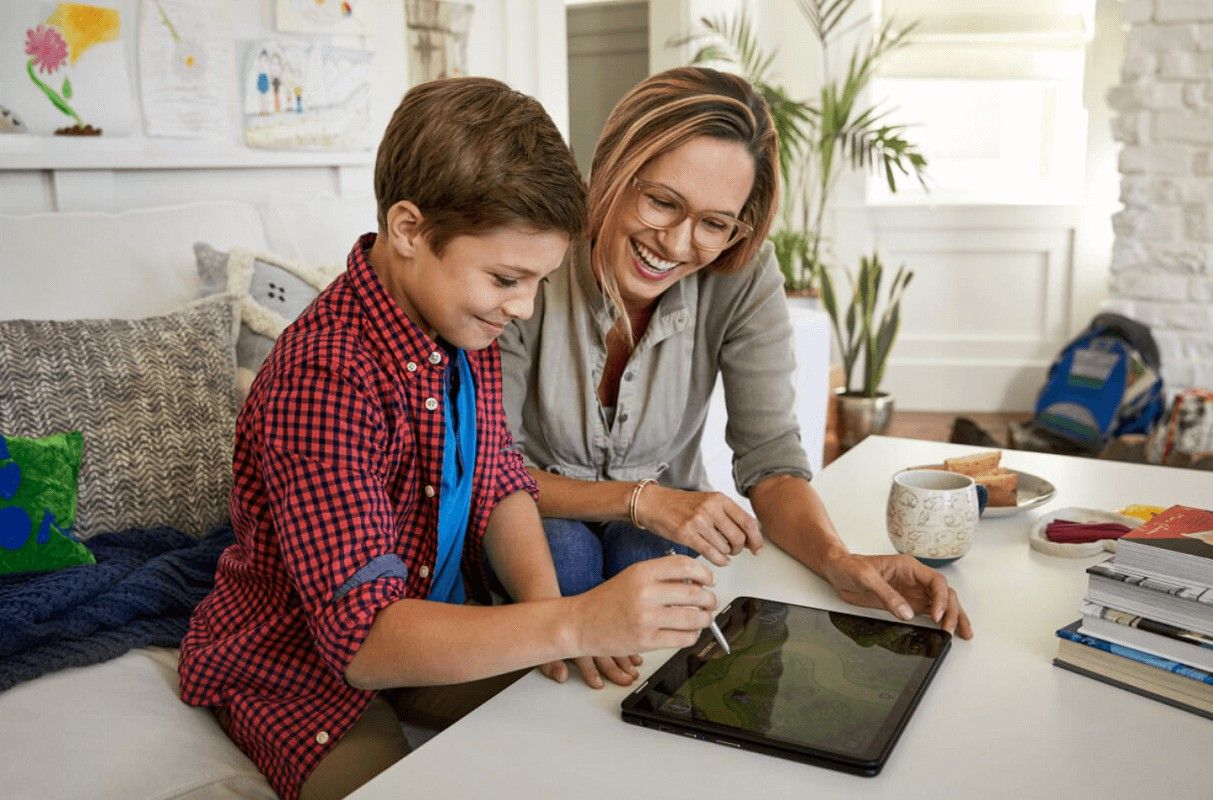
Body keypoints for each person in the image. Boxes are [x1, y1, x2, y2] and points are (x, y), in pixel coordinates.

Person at [179, 77, 720, 800]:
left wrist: (549, 617)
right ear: (408, 229)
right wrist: (568, 623)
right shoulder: (325, 379)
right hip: (298, 673)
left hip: (433, 630)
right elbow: (365, 644)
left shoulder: (463, 327)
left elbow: (499, 478)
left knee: (603, 741)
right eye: (506, 277)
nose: (524, 307)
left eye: (537, 281)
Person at [499, 67, 973, 689]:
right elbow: (489, 470)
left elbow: (771, 459)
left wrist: (837, 561)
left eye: (714, 224)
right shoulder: (533, 256)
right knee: (568, 556)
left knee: (659, 573)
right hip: (527, 507)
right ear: (613, 167)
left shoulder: (742, 274)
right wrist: (643, 501)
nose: (676, 243)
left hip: (662, 517)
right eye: (662, 201)